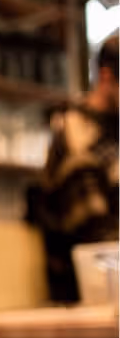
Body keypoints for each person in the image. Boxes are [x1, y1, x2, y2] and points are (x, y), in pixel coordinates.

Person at [26, 34, 119, 303]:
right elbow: (97, 235)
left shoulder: (113, 131)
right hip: (84, 295)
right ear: (106, 77)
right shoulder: (76, 133)